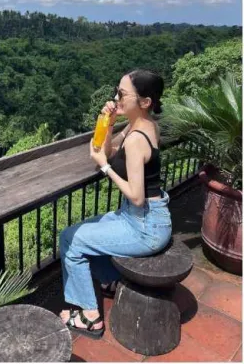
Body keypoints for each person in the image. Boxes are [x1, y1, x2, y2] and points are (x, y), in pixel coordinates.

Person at [59, 69, 170, 338]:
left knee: (71, 241)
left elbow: (136, 195)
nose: (116, 98)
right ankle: (109, 280)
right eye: (116, 92)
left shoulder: (136, 139)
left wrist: (106, 169)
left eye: (122, 94)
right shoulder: (141, 125)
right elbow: (104, 149)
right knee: (78, 234)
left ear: (144, 102)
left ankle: (90, 316)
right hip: (144, 217)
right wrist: (108, 122)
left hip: (144, 225)